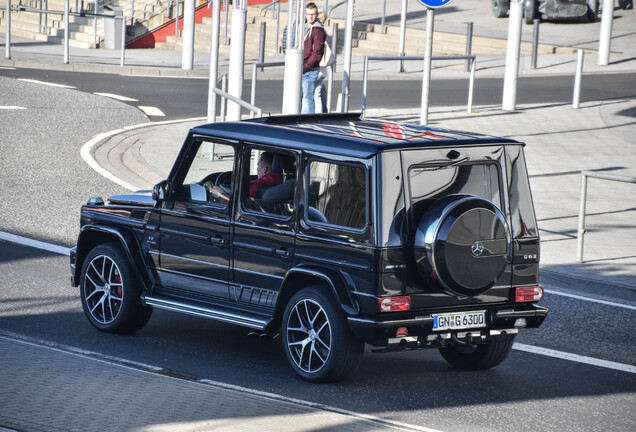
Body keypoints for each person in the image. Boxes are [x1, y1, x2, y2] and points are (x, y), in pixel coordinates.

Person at [301, 2, 326, 114]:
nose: (310, 16)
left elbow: (317, 54)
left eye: (313, 14)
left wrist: (305, 67)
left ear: (316, 15)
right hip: (305, 67)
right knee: (307, 96)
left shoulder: (317, 30)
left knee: (307, 98)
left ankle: (306, 123)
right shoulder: (305, 27)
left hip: (310, 69)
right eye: (308, 14)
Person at [314, 9, 329, 113]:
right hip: (322, 67)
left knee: (315, 94)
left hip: (317, 67)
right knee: (319, 91)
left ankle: (319, 115)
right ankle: (323, 112)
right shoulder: (324, 31)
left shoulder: (318, 30)